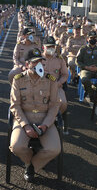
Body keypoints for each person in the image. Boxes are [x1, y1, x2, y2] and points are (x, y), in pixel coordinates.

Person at [10, 48, 60, 182]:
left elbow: (55, 105)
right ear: (27, 65)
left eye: (40, 62)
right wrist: (25, 125)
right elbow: (15, 105)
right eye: (34, 62)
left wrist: (45, 125)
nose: (39, 65)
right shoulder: (18, 80)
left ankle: (31, 166)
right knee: (16, 147)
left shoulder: (51, 80)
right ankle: (28, 158)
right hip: (24, 118)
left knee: (54, 149)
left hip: (45, 118)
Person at [42, 37, 68, 114]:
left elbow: (65, 74)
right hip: (40, 85)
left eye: (53, 47)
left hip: (55, 85)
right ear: (43, 47)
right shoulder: (37, 59)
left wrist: (59, 83)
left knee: (63, 103)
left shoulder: (59, 59)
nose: (51, 49)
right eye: (48, 47)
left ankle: (55, 117)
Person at [76, 31, 97, 102]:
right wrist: (87, 67)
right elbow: (77, 61)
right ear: (87, 39)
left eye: (94, 38)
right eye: (91, 38)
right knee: (84, 80)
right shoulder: (83, 49)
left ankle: (94, 90)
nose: (93, 39)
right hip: (86, 70)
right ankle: (92, 94)